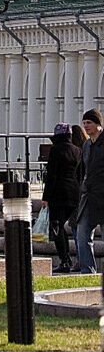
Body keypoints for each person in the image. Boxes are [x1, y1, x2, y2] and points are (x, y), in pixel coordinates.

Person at [42, 123, 81, 274]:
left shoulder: (56, 150)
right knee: (70, 226)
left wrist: (46, 198)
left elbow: (52, 175)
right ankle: (72, 259)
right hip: (74, 193)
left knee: (56, 226)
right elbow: (79, 173)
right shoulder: (77, 150)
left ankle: (64, 260)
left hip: (59, 195)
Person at [72, 109, 104, 274]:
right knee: (82, 236)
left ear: (99, 124)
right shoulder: (86, 145)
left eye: (89, 123)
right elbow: (83, 170)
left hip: (102, 197)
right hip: (87, 198)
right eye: (84, 123)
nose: (86, 126)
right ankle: (88, 271)